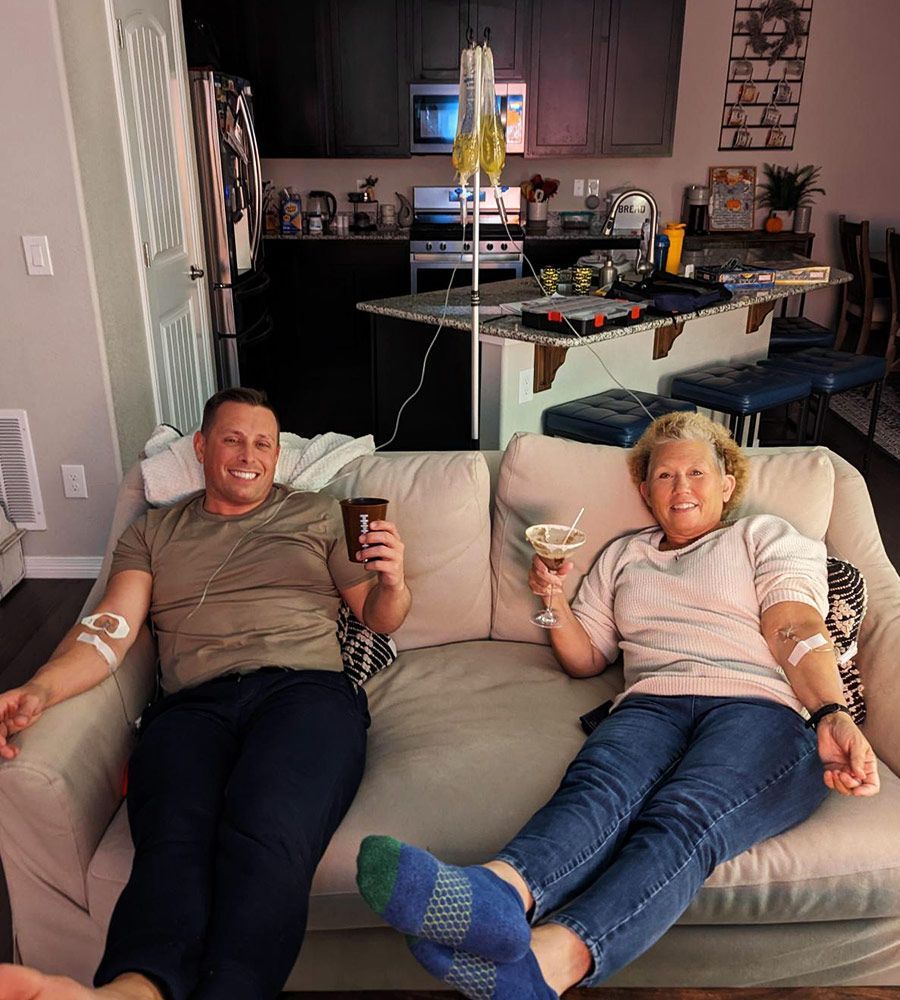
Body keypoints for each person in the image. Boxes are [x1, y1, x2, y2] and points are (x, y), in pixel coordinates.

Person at [354, 411, 879, 1000]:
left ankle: (550, 961)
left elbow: (793, 624)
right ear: (645, 489)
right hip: (652, 703)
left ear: (727, 483)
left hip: (761, 709)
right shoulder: (624, 556)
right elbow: (587, 658)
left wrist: (830, 710)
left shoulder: (764, 537)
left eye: (697, 474)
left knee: (684, 815)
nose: (681, 488)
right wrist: (553, 600)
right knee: (597, 788)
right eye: (664, 476)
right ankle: (496, 894)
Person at [0, 387, 411, 1000]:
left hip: (305, 693)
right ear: (201, 448)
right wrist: (37, 688)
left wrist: (392, 579)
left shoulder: (322, 515)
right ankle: (131, 990)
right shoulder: (153, 533)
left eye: (264, 444)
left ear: (278, 456)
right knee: (173, 839)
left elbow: (380, 619)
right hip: (191, 706)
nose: (249, 454)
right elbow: (110, 628)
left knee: (267, 827)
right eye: (233, 438)